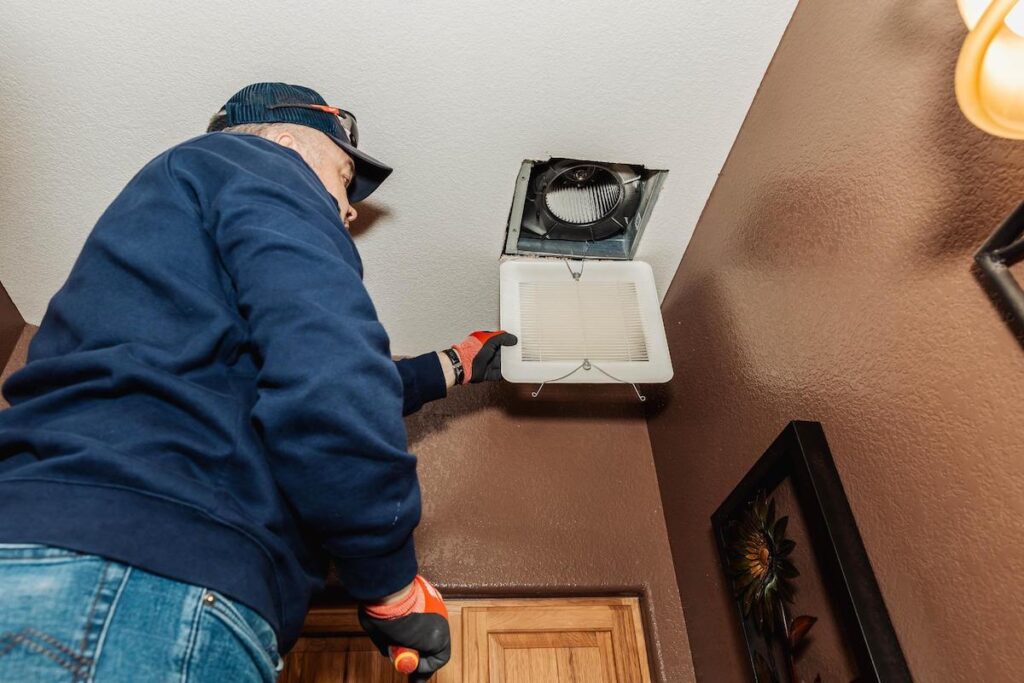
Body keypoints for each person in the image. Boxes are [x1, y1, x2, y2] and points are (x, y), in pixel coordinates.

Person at [0, 82, 516, 682]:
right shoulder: (258, 162)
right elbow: (329, 381)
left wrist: (452, 363)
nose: (348, 210)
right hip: (146, 580)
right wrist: (390, 583)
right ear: (282, 137)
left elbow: (277, 381)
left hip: (64, 554)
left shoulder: (166, 245)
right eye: (344, 175)